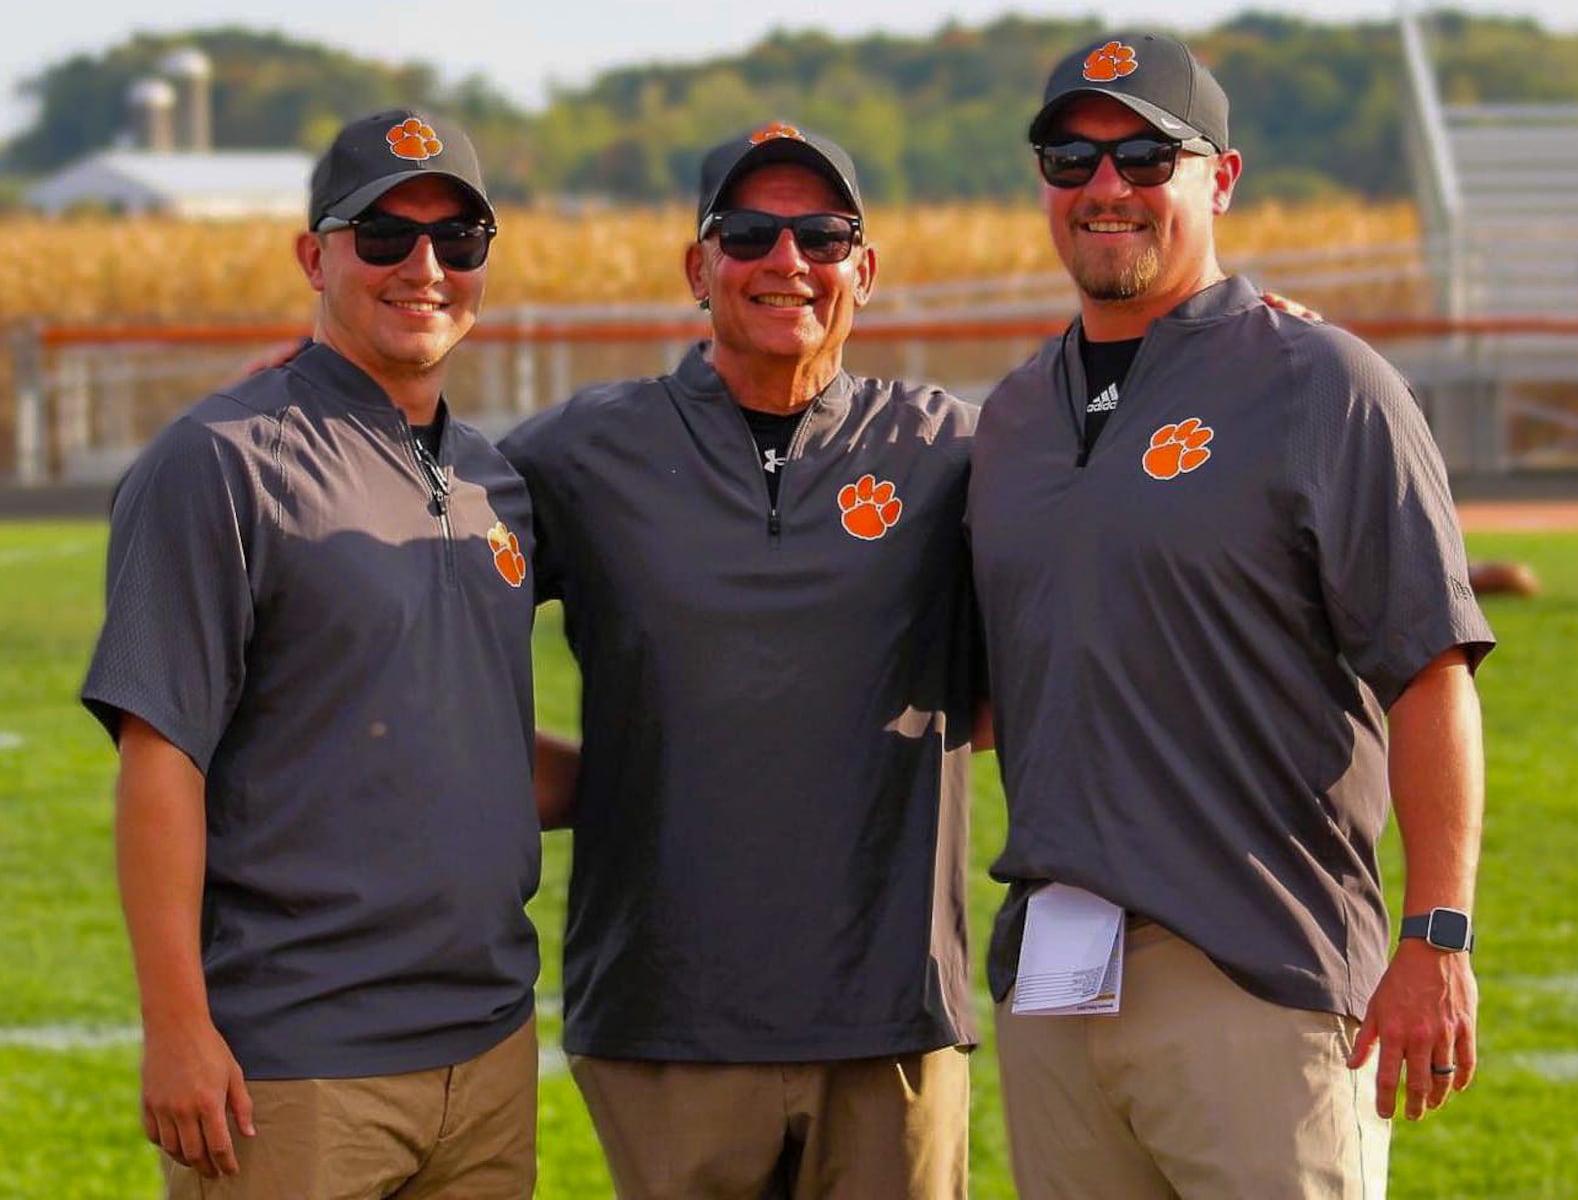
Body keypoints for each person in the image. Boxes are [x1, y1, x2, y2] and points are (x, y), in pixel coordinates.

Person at [965, 33, 1496, 1199]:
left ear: (1221, 177)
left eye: (1146, 154)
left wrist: (1438, 933)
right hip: (1056, 984)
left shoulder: (1321, 382)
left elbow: (1430, 674)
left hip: (1261, 975)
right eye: (1071, 156)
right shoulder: (1008, 417)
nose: (1105, 186)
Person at [81, 109, 563, 1199]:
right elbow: (162, 760)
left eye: (459, 241)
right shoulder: (220, 461)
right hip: (291, 1068)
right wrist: (176, 1029)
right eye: (382, 235)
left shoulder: (499, 481)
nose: (424, 268)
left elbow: (460, 738)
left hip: (488, 1055)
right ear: (314, 255)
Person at [498, 122, 983, 1199]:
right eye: (750, 232)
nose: (787, 260)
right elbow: (401, 555)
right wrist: (315, 398)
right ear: (698, 267)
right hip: (666, 1015)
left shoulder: (952, 450)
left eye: (822, 234)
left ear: (866, 268)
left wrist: (1228, 356)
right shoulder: (582, 453)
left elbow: (1137, 524)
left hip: (892, 1018)